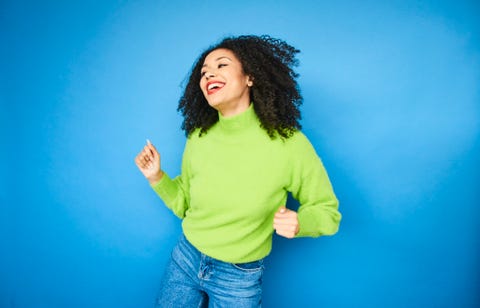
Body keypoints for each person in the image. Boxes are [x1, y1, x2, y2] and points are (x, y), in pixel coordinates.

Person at [135, 35, 341, 307]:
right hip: (186, 257)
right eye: (204, 72)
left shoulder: (289, 143)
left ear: (250, 77)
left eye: (221, 65)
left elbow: (327, 212)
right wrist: (156, 177)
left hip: (239, 275)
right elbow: (185, 203)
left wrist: (302, 222)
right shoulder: (199, 136)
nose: (209, 75)